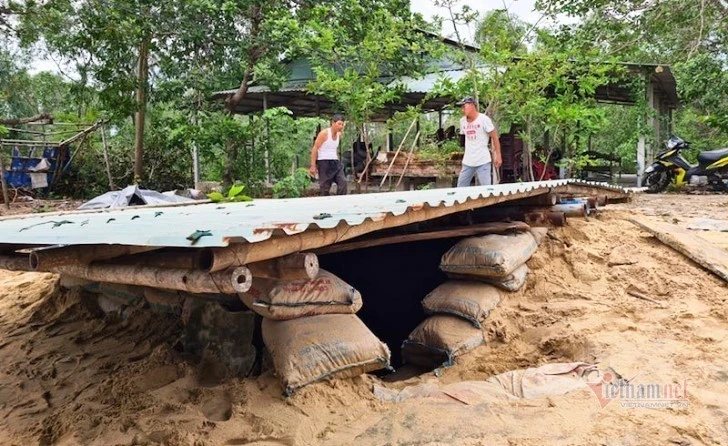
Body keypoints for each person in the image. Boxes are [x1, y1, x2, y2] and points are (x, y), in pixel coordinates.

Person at [456, 96, 502, 187]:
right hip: (468, 161)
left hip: (483, 161)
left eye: (463, 107)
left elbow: (494, 137)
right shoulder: (462, 121)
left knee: (486, 190)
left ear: (472, 106)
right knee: (460, 187)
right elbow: (464, 139)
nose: (462, 110)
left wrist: (498, 155)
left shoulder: (483, 119)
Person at [309, 114, 347, 196]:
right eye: (339, 124)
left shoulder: (339, 135)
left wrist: (337, 159)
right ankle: (326, 207)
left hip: (335, 162)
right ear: (333, 123)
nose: (341, 126)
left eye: (342, 124)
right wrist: (313, 165)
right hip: (324, 162)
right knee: (325, 188)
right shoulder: (324, 133)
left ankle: (340, 203)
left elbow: (334, 148)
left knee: (343, 182)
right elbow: (315, 149)